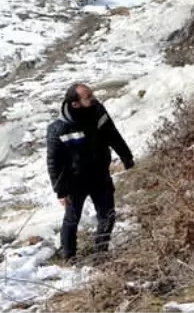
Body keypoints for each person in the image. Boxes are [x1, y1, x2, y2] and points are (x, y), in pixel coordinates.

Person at [46, 82, 134, 261]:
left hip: (100, 175)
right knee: (72, 220)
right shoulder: (58, 129)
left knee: (107, 216)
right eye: (88, 97)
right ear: (75, 103)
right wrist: (60, 191)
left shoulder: (97, 111)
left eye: (92, 94)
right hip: (74, 182)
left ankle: (100, 254)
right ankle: (69, 257)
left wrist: (126, 157)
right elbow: (54, 162)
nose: (93, 99)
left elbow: (112, 134)